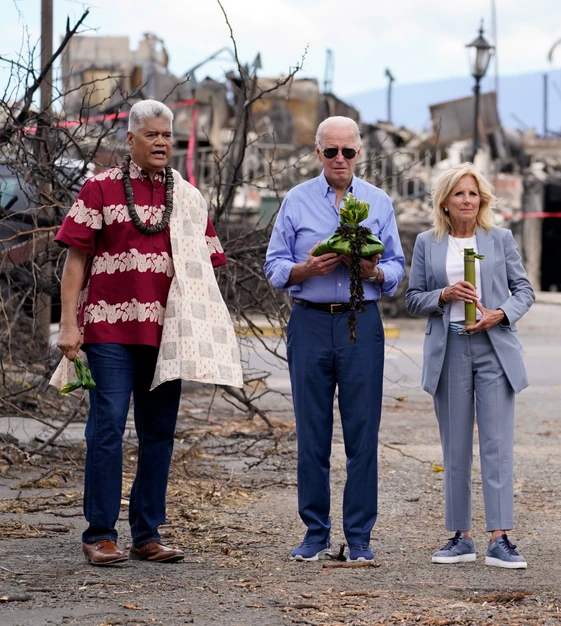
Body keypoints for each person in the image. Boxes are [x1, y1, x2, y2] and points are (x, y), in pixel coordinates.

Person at [55, 99, 242, 566]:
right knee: (107, 430)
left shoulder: (188, 197)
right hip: (109, 331)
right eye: (153, 135)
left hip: (168, 334)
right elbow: (75, 260)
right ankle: (100, 534)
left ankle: (147, 534)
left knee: (159, 434)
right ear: (131, 139)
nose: (162, 144)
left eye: (168, 137)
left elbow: (203, 270)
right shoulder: (98, 187)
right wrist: (68, 323)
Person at [264, 116, 405, 564]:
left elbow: (398, 268)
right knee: (312, 433)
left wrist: (375, 271)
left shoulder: (379, 202)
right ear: (317, 152)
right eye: (331, 152)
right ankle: (315, 532)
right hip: (309, 321)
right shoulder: (295, 200)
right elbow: (273, 266)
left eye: (348, 152)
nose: (340, 159)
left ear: (359, 153)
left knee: (363, 434)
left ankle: (359, 537)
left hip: (361, 321)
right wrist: (304, 271)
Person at [405, 163, 534, 569]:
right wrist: (442, 294)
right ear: (445, 201)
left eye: (473, 194)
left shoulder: (501, 239)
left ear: (483, 201)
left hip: (493, 348)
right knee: (455, 447)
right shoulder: (427, 242)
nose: (466, 200)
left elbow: (524, 290)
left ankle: (500, 537)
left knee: (496, 445)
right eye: (459, 193)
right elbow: (412, 299)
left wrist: (500, 313)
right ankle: (460, 536)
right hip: (450, 350)